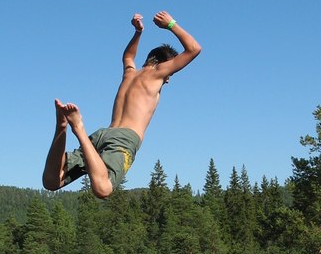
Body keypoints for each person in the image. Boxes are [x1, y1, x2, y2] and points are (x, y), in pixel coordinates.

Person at [42, 11, 202, 199]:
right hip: (124, 139)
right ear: (163, 64)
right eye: (171, 74)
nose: (168, 80)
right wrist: (171, 24)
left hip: (103, 134)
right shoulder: (157, 73)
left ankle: (62, 127)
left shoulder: (130, 74)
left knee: (52, 181)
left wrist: (138, 32)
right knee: (103, 189)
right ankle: (78, 129)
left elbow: (128, 57)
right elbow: (193, 49)